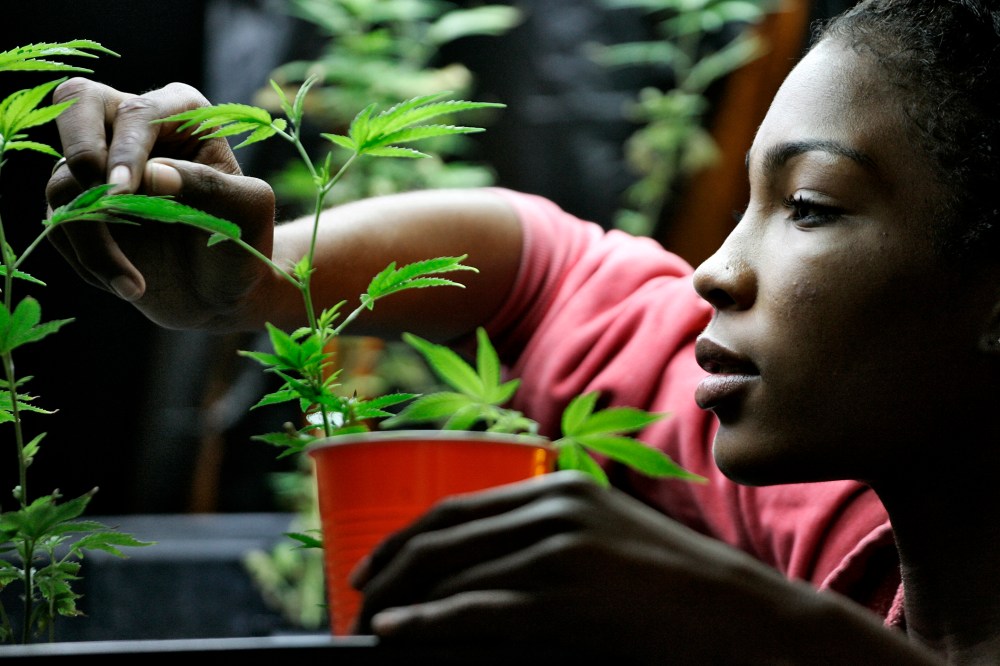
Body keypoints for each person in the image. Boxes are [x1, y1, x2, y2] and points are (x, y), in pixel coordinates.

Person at [42, 0, 1000, 662]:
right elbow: (543, 267)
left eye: (808, 204)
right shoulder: (845, 524)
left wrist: (776, 638)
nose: (714, 269)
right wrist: (258, 276)